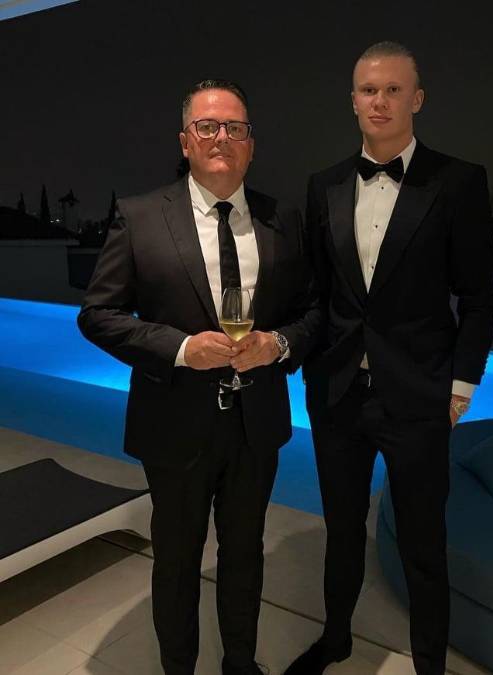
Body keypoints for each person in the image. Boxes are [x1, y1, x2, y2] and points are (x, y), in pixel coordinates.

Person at [78, 79, 319, 675]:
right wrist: (182, 349)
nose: (221, 138)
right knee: (177, 562)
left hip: (256, 426)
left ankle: (240, 663)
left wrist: (277, 344)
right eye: (207, 126)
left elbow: (315, 312)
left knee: (245, 556)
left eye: (235, 128)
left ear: (251, 144)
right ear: (185, 141)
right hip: (174, 426)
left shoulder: (283, 219)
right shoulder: (139, 216)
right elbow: (98, 314)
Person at [285, 42, 493, 675]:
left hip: (420, 395)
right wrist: (293, 358)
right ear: (352, 100)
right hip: (339, 396)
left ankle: (429, 663)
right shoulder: (323, 185)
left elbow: (479, 297)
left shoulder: (459, 181)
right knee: (341, 531)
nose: (379, 101)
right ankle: (336, 640)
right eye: (368, 90)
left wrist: (460, 386)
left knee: (424, 543)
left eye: (393, 90)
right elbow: (317, 294)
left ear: (417, 99)